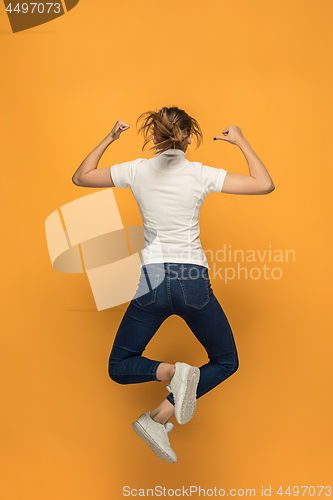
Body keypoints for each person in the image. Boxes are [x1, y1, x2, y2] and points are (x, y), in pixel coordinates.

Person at [72, 106, 275, 463]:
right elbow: (264, 184)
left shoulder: (136, 169)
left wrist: (110, 137)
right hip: (193, 280)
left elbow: (82, 176)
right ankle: (165, 404)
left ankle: (165, 395)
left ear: (153, 137)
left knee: (119, 366)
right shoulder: (199, 173)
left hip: (153, 280)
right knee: (226, 362)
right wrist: (240, 141)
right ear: (188, 139)